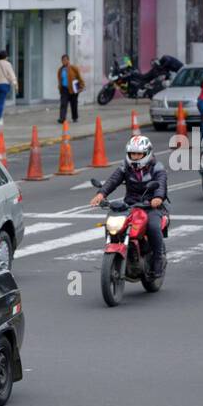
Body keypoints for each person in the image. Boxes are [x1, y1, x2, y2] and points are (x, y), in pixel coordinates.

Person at [89, 135, 169, 277]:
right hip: (131, 205)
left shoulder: (157, 167)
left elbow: (161, 184)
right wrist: (101, 194)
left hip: (152, 207)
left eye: (139, 154)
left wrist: (157, 197)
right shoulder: (125, 167)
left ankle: (158, 258)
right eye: (133, 153)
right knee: (113, 223)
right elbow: (113, 180)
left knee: (153, 226)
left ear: (147, 153)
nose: (135, 156)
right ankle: (119, 250)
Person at [57, 54, 84, 124]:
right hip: (64, 89)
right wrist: (60, 87)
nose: (64, 61)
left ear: (68, 60)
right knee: (63, 104)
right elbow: (60, 80)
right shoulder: (60, 70)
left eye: (65, 60)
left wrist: (81, 86)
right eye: (63, 60)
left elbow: (79, 77)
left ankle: (75, 117)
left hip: (73, 89)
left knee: (74, 104)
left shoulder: (73, 68)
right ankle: (62, 118)